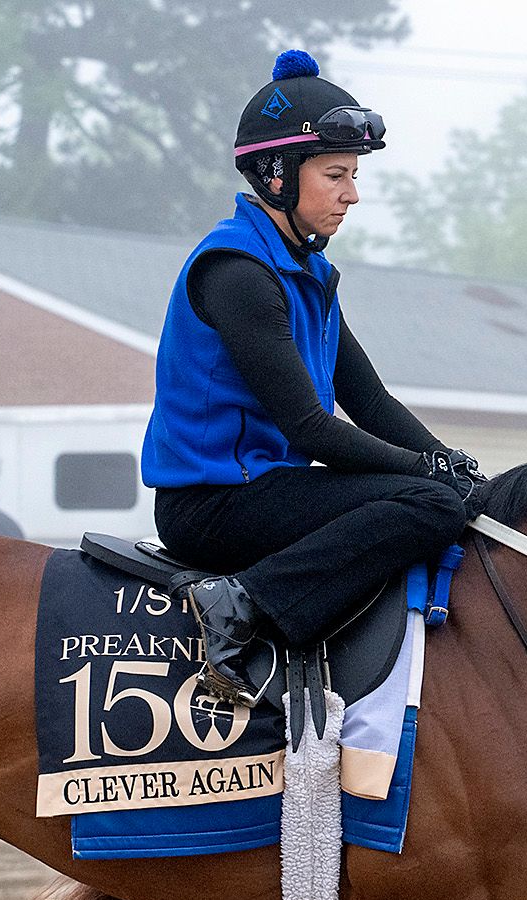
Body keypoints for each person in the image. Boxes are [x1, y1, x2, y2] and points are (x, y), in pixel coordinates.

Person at [141, 51, 481, 704]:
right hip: (211, 505)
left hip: (270, 488)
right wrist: (426, 475)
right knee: (430, 504)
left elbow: (369, 399)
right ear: (276, 174)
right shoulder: (238, 272)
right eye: (335, 174)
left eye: (352, 174)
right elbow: (309, 426)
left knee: (445, 490)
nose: (352, 193)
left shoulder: (310, 272)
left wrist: (450, 461)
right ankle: (240, 607)